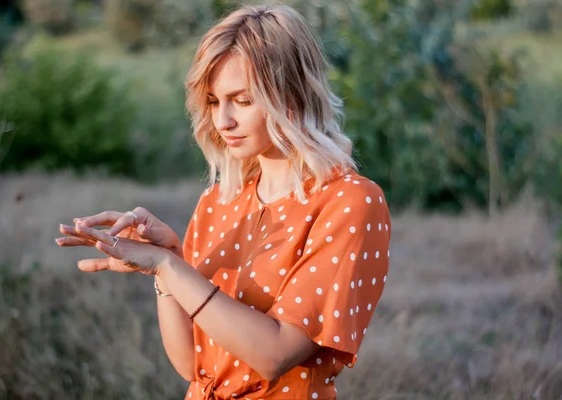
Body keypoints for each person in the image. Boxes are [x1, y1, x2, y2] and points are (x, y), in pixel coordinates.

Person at [56, 4, 391, 399]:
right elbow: (193, 367)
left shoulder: (349, 202)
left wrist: (169, 267)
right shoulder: (219, 200)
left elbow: (274, 354)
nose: (222, 121)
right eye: (214, 101)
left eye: (242, 100)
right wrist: (166, 271)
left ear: (292, 97)